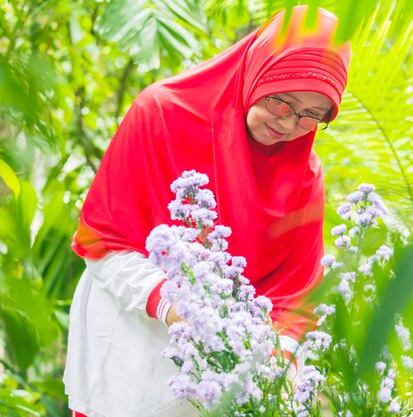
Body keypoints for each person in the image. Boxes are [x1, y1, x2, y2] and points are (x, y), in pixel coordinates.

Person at [63, 5, 350, 417]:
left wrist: (279, 360)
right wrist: (178, 308)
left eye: (312, 115)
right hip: (134, 338)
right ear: (258, 71)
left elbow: (297, 293)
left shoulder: (305, 178)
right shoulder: (160, 114)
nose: (289, 125)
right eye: (282, 102)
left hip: (227, 371)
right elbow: (102, 242)